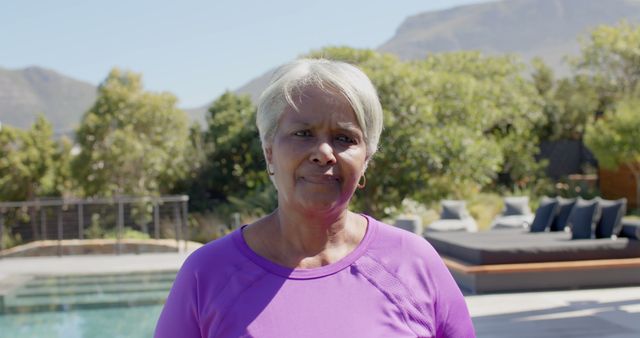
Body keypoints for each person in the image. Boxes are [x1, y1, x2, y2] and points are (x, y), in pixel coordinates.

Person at [154, 59, 475, 338]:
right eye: (303, 133)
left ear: (366, 160)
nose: (323, 153)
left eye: (344, 138)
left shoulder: (413, 262)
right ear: (269, 152)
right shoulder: (208, 274)